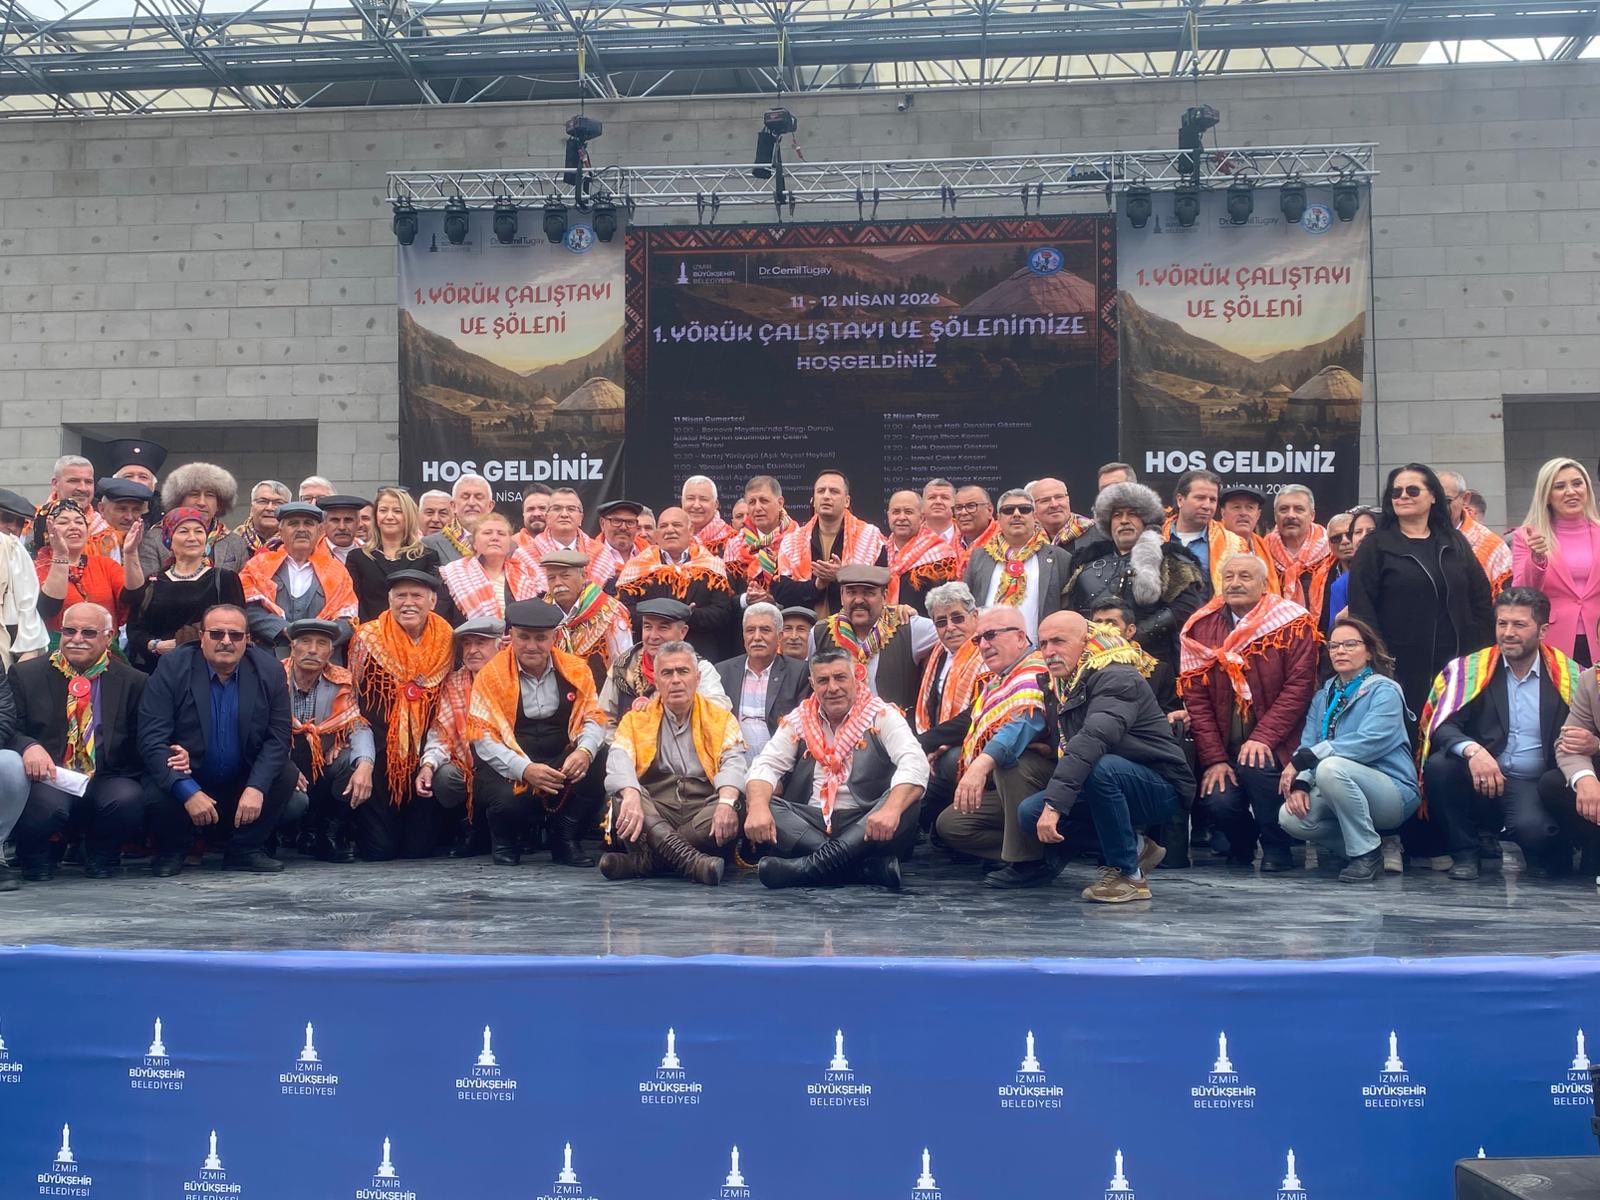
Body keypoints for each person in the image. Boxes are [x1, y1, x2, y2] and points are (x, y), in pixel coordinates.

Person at [1018, 611, 1196, 903]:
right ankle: (1136, 847)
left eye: (1059, 641)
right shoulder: (1062, 682)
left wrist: (1056, 804)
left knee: (1101, 768)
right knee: (1029, 813)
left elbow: (1093, 739)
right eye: (1043, 644)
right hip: (1106, 779)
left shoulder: (1116, 675)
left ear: (1085, 641)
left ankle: (1129, 876)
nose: (1049, 652)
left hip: (1161, 785)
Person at [1420, 587, 1583, 880]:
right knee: (1440, 767)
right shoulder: (1470, 671)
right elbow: (1443, 725)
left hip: (1532, 784)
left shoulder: (1569, 677)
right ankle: (1466, 853)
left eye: (1519, 624)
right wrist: (1473, 751)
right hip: (1480, 776)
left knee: (1537, 834)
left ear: (1543, 630)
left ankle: (1547, 847)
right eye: (1502, 623)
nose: (1508, 633)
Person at [745, 647, 929, 890]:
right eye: (823, 680)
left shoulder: (880, 714)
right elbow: (765, 765)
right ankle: (862, 870)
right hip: (814, 822)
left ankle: (808, 867)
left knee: (906, 799)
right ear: (812, 684)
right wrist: (757, 807)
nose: (832, 688)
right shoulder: (800, 718)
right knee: (760, 800)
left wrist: (891, 808)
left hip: (867, 820)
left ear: (856, 677)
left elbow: (914, 762)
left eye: (840, 677)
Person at [1179, 553, 1318, 871]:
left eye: (1245, 576)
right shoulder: (1199, 627)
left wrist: (1263, 738)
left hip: (1278, 743)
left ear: (1264, 583)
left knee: (1257, 767)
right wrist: (1214, 760)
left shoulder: (1292, 622)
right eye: (1228, 577)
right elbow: (1196, 699)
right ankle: (1242, 844)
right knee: (1218, 798)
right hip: (1224, 746)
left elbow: (1299, 688)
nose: (1235, 583)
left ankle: (1277, 847)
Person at [139, 603, 296, 875]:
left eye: (235, 635)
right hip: (189, 773)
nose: (226, 641)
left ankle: (244, 850)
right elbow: (151, 736)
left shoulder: (269, 670)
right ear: (201, 637)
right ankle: (173, 850)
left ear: (247, 640)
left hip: (240, 777)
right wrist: (187, 790)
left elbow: (278, 737)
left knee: (285, 773)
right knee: (158, 782)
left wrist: (256, 787)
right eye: (216, 634)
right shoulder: (173, 666)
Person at [5, 603, 147, 882]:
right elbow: (10, 728)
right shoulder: (26, 675)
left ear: (109, 637)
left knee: (128, 798)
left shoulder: (134, 681)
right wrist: (28, 746)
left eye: (88, 632)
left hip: (105, 774)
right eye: (69, 631)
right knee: (44, 806)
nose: (77, 639)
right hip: (49, 776)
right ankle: (35, 856)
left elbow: (143, 736)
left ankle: (101, 854)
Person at [1347, 463, 1494, 729]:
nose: (1403, 496)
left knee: (1453, 737)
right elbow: (1362, 610)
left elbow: (1481, 598)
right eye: (1396, 492)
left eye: (1412, 490)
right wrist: (1381, 660)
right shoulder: (1375, 547)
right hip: (1400, 669)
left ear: (1433, 496)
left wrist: (1478, 648)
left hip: (1457, 667)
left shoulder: (1454, 542)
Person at [1277, 617, 1421, 882]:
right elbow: (1308, 743)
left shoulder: (1385, 690)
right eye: (1334, 646)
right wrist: (1302, 784)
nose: (1340, 651)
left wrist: (1307, 759)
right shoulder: (1324, 695)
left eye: (1350, 644)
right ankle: (1374, 849)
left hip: (1392, 790)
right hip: (1336, 781)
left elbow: (1371, 741)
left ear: (1369, 652)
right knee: (1290, 817)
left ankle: (1364, 854)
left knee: (1330, 767)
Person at [466, 598, 608, 867]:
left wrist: (584, 751)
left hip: (559, 760)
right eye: (524, 637)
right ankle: (506, 839)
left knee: (602, 756)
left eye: (540, 638)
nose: (532, 646)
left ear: (554, 637)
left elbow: (593, 717)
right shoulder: (490, 675)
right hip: (510, 766)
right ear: (511, 635)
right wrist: (524, 769)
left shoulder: (577, 670)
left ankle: (565, 839)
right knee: (506, 801)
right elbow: (483, 738)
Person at [603, 639, 747, 885]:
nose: (676, 680)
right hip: (658, 810)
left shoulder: (720, 718)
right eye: (667, 673)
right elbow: (618, 758)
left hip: (702, 811)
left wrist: (726, 802)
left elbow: (734, 763)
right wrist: (631, 793)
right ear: (656, 681)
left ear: (697, 679)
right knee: (622, 794)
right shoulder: (636, 719)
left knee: (735, 802)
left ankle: (646, 863)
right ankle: (692, 862)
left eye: (683, 671)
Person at [934, 606, 1057, 887]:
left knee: (1012, 764)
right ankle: (1050, 852)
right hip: (1012, 792)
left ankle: (1027, 862)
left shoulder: (1036, 670)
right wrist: (937, 743)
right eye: (978, 639)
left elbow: (1022, 725)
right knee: (951, 825)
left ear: (1020, 637)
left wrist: (980, 765)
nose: (983, 645)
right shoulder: (998, 681)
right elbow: (976, 728)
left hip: (1052, 786)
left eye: (991, 635)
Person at [345, 570, 456, 861]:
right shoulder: (367, 637)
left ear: (432, 601)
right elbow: (350, 697)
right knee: (379, 851)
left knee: (419, 850)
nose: (408, 602)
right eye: (400, 596)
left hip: (426, 752)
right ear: (389, 600)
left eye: (416, 596)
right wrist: (364, 756)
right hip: (379, 750)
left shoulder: (447, 637)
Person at [1063, 481, 1207, 675]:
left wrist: (1134, 635)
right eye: (1117, 515)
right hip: (1091, 663)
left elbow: (1185, 608)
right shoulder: (1086, 561)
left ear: (1145, 520)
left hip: (1153, 666)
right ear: (1108, 523)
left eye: (1132, 514)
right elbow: (1072, 611)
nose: (1124, 521)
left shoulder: (1170, 559)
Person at [282, 618, 375, 864]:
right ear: (292, 647)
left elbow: (357, 725)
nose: (313, 650)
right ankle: (268, 836)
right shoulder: (273, 676)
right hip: (281, 761)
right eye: (305, 642)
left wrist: (366, 764)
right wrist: (285, 767)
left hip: (322, 761)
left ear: (331, 652)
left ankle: (327, 833)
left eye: (321, 643)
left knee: (351, 760)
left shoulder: (341, 680)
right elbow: (260, 733)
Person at [415, 616, 503, 859]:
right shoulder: (453, 683)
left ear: (499, 645)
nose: (472, 650)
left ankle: (515, 830)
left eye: (481, 643)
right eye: (467, 644)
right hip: (471, 766)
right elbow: (441, 734)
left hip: (511, 765)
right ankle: (471, 828)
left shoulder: (513, 677)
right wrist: (428, 765)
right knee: (445, 777)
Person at [125, 507, 247, 673]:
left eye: (199, 531)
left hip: (210, 670)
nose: (192, 538)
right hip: (159, 669)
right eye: (183, 531)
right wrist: (156, 645)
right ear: (169, 539)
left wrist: (186, 640)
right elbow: (135, 630)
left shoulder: (224, 579)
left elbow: (239, 625)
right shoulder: (154, 582)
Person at [615, 507, 735, 662]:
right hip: (648, 658)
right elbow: (625, 611)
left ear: (690, 530)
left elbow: (722, 612)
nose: (670, 530)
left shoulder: (711, 566)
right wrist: (660, 617)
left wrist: (689, 616)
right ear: (657, 533)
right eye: (663, 526)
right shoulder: (637, 567)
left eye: (676, 525)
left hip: (699, 657)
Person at [239, 501, 358, 658]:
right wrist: (285, 630)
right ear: (280, 531)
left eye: (308, 524)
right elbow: (248, 609)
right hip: (269, 660)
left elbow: (349, 620)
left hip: (323, 662)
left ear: (319, 531)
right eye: (293, 524)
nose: (301, 529)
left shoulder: (337, 571)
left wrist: (317, 640)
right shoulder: (258, 565)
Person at [913, 582, 986, 834]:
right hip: (938, 742)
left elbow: (976, 714)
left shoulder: (987, 650)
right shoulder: (938, 653)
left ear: (974, 616)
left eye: (957, 618)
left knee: (945, 763)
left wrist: (926, 743)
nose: (950, 627)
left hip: (972, 746)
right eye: (941, 622)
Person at [1512, 457, 1600, 667]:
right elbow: (1521, 593)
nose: (1571, 492)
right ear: (1547, 496)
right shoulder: (1526, 535)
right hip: (1553, 638)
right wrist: (1536, 559)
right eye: (1560, 487)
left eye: (1577, 484)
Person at [810, 564, 936, 709]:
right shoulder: (819, 633)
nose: (858, 600)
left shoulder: (908, 626)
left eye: (868, 593)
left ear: (884, 596)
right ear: (842, 596)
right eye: (851, 592)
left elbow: (951, 630)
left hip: (893, 722)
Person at [962, 488, 1069, 642]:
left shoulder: (1059, 558)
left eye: (1024, 509)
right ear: (998, 518)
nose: (1017, 514)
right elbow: (967, 606)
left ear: (1034, 516)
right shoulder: (979, 556)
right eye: (1008, 510)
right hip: (986, 648)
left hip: (1038, 650)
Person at [774, 470, 887, 616]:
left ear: (847, 501)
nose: (826, 496)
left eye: (834, 491)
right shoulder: (792, 541)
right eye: (821, 491)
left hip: (854, 625)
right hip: (806, 627)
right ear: (814, 500)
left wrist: (841, 576)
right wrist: (817, 585)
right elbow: (780, 592)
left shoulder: (870, 537)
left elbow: (881, 585)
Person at [599, 597, 731, 721]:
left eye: (663, 628)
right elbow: (604, 717)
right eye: (647, 627)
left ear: (683, 632)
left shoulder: (699, 668)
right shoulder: (624, 665)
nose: (653, 636)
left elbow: (719, 713)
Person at [715, 602, 810, 759]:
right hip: (732, 762)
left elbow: (803, 731)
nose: (757, 637)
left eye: (765, 630)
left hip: (781, 763)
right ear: (743, 636)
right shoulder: (723, 671)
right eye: (750, 630)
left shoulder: (799, 673)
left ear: (780, 637)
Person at [34, 499, 136, 642]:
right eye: (63, 522)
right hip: (57, 650)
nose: (74, 527)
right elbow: (48, 609)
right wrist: (60, 555)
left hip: (104, 650)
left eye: (79, 522)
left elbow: (133, 596)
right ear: (46, 533)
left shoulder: (104, 564)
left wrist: (131, 554)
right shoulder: (35, 568)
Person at [1162, 469, 1277, 594]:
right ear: (1180, 500)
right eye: (1200, 498)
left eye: (1212, 500)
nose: (1207, 506)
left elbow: (1246, 595)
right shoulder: (1155, 535)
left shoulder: (1234, 545)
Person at [346, 486, 443, 622]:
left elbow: (432, 602)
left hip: (414, 630)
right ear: (376, 515)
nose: (389, 517)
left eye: (397, 511)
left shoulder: (427, 557)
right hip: (370, 630)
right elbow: (354, 603)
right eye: (383, 510)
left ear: (408, 516)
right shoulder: (357, 557)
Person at [140, 462, 250, 578]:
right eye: (194, 494)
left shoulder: (236, 543)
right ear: (178, 500)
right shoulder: (154, 539)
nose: (202, 502)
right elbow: (148, 586)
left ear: (219, 503)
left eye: (210, 495)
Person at [544, 548, 632, 685]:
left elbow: (622, 666)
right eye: (551, 578)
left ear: (583, 576)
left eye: (565, 576)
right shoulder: (541, 613)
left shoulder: (610, 612)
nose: (558, 583)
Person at [438, 512, 544, 624]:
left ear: (509, 544)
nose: (495, 538)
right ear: (474, 543)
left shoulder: (527, 574)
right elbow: (443, 621)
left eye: (501, 534)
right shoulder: (454, 574)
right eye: (487, 533)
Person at [1263, 485, 1337, 631]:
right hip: (1273, 638)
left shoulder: (1332, 551)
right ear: (1275, 515)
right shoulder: (1262, 552)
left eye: (1299, 509)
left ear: (1312, 515)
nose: (1291, 515)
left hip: (1325, 638)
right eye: (1284, 509)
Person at [1551, 657, 1600, 876]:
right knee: (1552, 783)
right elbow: (1567, 741)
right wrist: (1585, 779)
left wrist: (1597, 745)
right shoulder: (1591, 679)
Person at [520, 488, 621, 586]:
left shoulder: (601, 553)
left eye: (571, 509)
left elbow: (606, 595)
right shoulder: (524, 556)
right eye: (557, 509)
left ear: (581, 518)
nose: (564, 514)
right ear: (547, 517)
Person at [1439, 469, 1512, 599]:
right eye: (1432, 500)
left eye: (1446, 501)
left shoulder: (1492, 546)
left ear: (1465, 498)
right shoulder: (1413, 536)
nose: (1437, 507)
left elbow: (1505, 601)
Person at [884, 488, 959, 613]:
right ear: (888, 516)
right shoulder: (880, 552)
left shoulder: (941, 558)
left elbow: (947, 607)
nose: (901, 517)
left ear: (921, 517)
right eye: (896, 512)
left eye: (908, 512)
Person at [725, 475, 795, 600]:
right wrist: (746, 599)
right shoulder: (735, 544)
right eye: (752, 502)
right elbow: (728, 595)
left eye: (764, 501)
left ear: (780, 503)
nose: (757, 508)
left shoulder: (798, 538)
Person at [0, 501, 46, 668]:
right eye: (6, 519)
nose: (13, 528)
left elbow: (27, 603)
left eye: (20, 523)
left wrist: (29, 649)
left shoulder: (14, 548)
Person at [424, 474, 493, 565]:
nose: (471, 503)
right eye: (465, 497)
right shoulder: (428, 545)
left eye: (478, 497)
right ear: (453, 506)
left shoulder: (506, 545)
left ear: (490, 506)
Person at [1327, 507, 1379, 625]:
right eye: (1336, 538)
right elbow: (1333, 630)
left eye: (1349, 534)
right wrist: (1339, 619)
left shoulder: (1397, 567)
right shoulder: (1336, 584)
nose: (1345, 541)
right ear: (1329, 543)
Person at [89, 478, 153, 564]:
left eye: (136, 510)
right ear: (102, 509)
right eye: (121, 509)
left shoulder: (148, 541)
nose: (129, 517)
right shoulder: (90, 542)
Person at [1026, 477, 1093, 551]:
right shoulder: (1026, 545)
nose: (1054, 504)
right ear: (1033, 507)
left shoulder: (1096, 534)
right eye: (1045, 500)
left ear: (1068, 500)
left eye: (1059, 497)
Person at [681, 475, 734, 556]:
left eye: (703, 499)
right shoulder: (670, 536)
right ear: (682, 501)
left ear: (716, 505)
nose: (696, 505)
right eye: (690, 498)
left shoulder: (732, 540)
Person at [235, 479, 291, 554]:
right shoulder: (232, 542)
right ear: (251, 508)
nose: (270, 508)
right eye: (263, 501)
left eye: (278, 503)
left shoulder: (295, 543)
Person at [951, 485, 997, 573]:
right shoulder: (948, 546)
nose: (963, 512)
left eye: (971, 506)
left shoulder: (1005, 541)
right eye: (958, 508)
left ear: (989, 510)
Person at [315, 494, 366, 564]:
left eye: (348, 520)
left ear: (358, 523)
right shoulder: (311, 554)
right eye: (335, 520)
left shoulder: (371, 554)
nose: (342, 527)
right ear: (324, 523)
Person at [596, 499, 647, 565]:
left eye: (630, 522)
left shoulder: (652, 556)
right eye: (616, 521)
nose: (623, 527)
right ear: (602, 524)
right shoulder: (591, 558)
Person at [514, 484, 553, 551]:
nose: (536, 514)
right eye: (530, 509)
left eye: (542, 508)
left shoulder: (565, 544)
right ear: (523, 513)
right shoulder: (510, 545)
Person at [921, 479, 957, 543]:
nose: (938, 502)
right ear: (922, 504)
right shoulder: (909, 537)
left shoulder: (968, 536)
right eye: (932, 497)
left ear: (955, 504)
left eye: (945, 497)